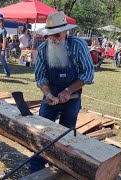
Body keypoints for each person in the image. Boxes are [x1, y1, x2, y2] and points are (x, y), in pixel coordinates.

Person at [32, 12, 94, 173]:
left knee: (66, 135)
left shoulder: (78, 45)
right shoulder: (44, 48)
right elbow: (40, 76)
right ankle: (36, 170)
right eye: (50, 35)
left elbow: (87, 74)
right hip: (51, 96)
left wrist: (68, 91)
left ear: (66, 32)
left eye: (57, 35)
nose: (54, 39)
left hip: (72, 98)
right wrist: (48, 94)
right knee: (42, 134)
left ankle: (62, 170)